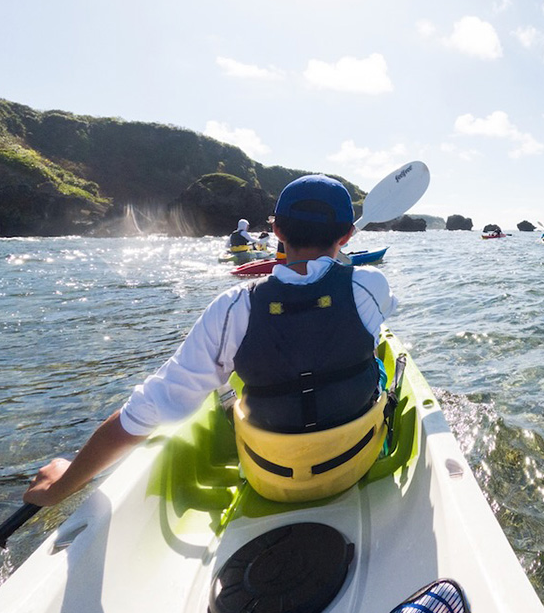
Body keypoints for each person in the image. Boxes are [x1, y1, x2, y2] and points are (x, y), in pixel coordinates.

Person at [25, 175, 397, 507]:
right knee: (376, 358)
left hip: (271, 476)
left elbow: (143, 411)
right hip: (354, 461)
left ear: (278, 231)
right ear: (347, 235)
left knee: (225, 381)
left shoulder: (233, 306)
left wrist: (61, 485)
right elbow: (336, 282)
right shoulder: (371, 285)